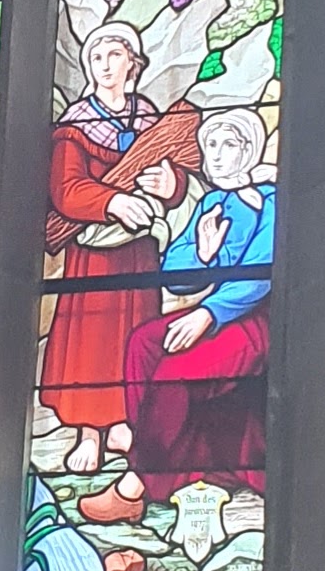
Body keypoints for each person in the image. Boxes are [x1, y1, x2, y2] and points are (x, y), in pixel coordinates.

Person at [91, 106, 275, 513]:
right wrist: (203, 257)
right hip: (218, 314)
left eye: (229, 144)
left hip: (262, 320)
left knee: (178, 369)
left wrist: (207, 314)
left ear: (249, 150)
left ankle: (135, 485)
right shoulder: (213, 202)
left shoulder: (271, 201)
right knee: (144, 342)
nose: (218, 154)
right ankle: (154, 452)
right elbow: (174, 272)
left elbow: (261, 272)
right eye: (211, 145)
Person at [38, 22, 178, 472]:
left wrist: (170, 185)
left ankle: (122, 420)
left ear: (132, 64)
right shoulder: (75, 125)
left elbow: (174, 174)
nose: (105, 66)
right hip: (94, 254)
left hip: (138, 253)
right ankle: (89, 433)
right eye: (96, 58)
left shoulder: (149, 119)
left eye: (114, 56)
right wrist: (112, 201)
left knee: (136, 334)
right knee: (93, 342)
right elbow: (65, 189)